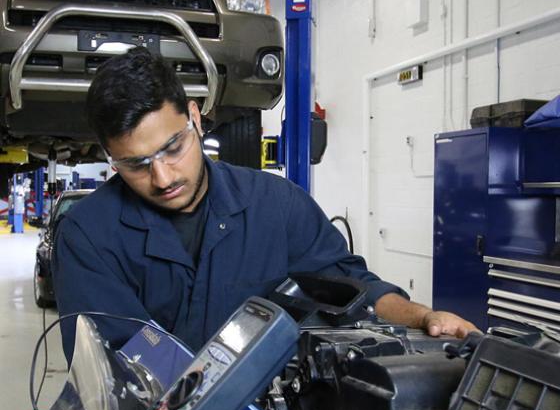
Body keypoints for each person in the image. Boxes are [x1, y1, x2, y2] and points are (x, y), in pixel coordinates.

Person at [53, 47, 477, 364]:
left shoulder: (275, 205)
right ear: (111, 158)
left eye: (172, 148)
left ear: (196, 119)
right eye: (135, 164)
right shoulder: (89, 235)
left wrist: (421, 316)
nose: (162, 178)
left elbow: (350, 285)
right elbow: (112, 365)